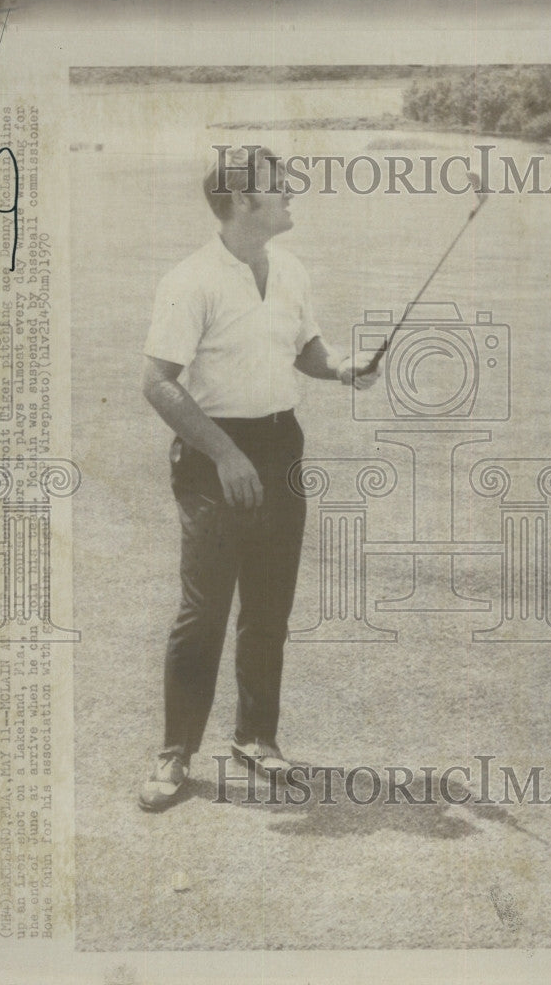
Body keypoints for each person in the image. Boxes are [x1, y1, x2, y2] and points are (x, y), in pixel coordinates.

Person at [138, 145, 379, 811]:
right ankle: (174, 754)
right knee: (204, 609)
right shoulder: (191, 280)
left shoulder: (291, 268)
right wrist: (224, 454)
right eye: (279, 186)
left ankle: (255, 739)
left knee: (269, 606)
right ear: (244, 202)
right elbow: (157, 383)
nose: (291, 192)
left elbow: (303, 348)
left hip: (280, 446)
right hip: (216, 454)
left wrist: (342, 365)